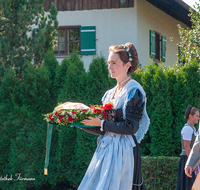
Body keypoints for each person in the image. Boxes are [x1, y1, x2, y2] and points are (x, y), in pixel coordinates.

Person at [77, 42, 150, 190]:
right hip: (106, 149)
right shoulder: (110, 93)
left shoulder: (134, 90)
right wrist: (78, 122)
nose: (109, 67)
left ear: (127, 65)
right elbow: (104, 129)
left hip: (125, 151)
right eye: (109, 63)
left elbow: (131, 127)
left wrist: (101, 123)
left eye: (114, 63)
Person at [176, 105, 199, 190]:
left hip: (190, 158)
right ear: (190, 116)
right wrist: (191, 162)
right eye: (196, 116)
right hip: (187, 159)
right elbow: (187, 146)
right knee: (188, 184)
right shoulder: (187, 129)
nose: (198, 118)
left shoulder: (193, 129)